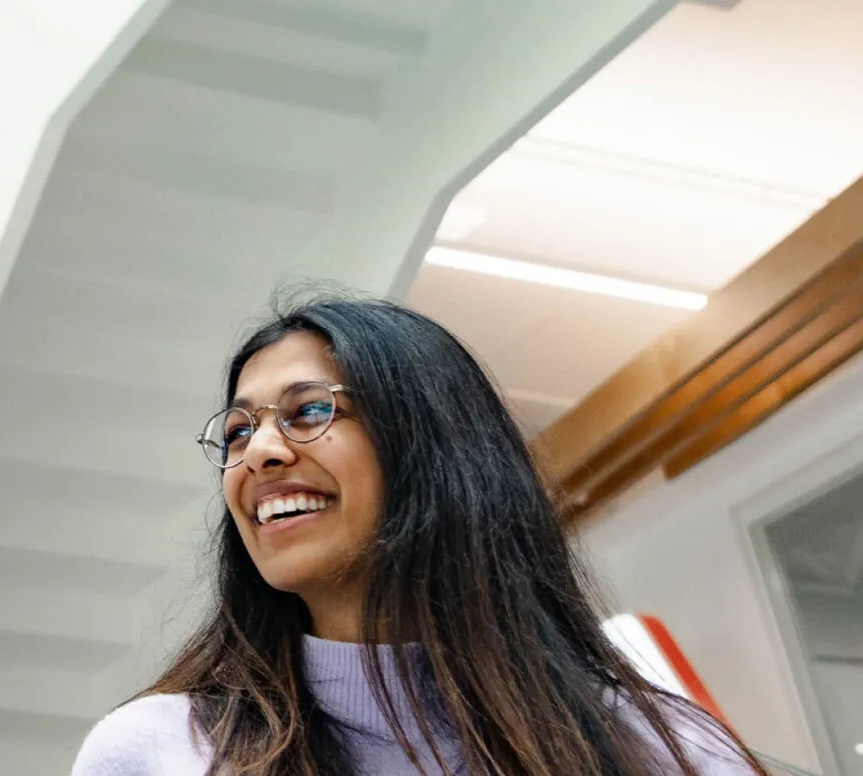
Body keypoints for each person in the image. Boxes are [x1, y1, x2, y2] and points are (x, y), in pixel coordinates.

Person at [69, 296, 761, 775]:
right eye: (239, 432)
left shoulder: (653, 745)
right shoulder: (163, 753)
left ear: (437, 446)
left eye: (309, 411)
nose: (260, 453)